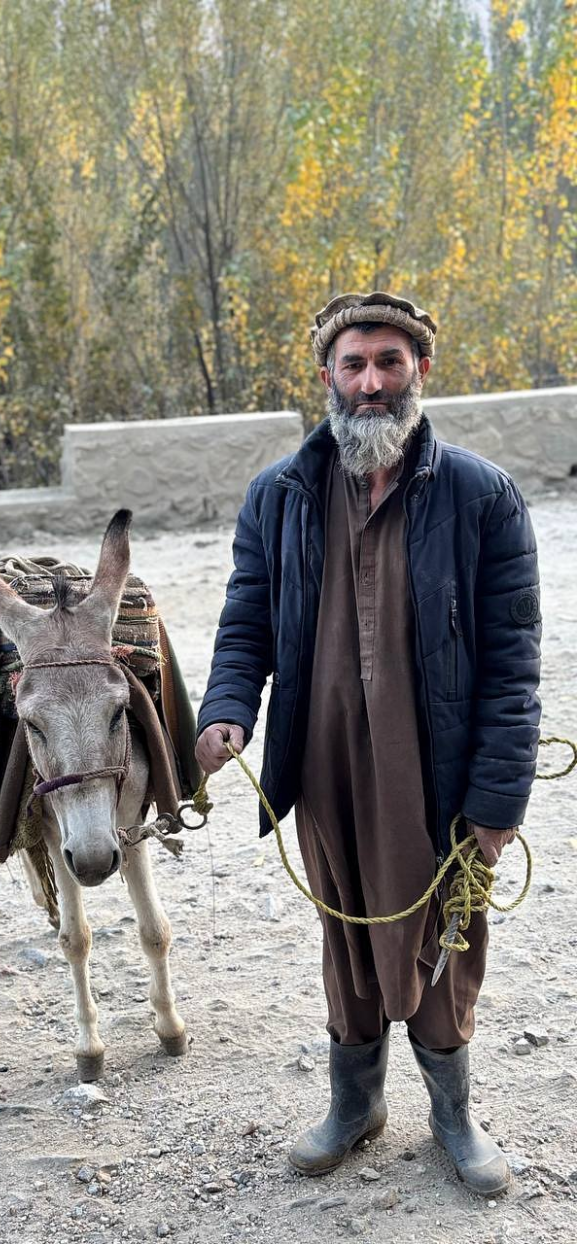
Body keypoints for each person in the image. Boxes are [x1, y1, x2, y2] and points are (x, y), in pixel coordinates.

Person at [195, 291, 541, 1196]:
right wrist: (226, 710)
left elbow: (515, 663)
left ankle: (453, 1116)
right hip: (322, 763)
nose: (372, 383)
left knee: (442, 934)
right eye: (354, 365)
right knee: (344, 927)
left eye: (391, 362)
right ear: (327, 379)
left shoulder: (481, 495)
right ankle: (356, 1106)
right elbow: (245, 625)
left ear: (421, 370)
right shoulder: (278, 496)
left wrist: (499, 801)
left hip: (438, 769)